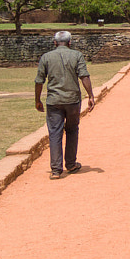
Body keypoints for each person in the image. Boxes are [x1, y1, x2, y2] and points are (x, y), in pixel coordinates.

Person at [34, 30, 96, 179]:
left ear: (55, 43)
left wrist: (37, 100)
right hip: (72, 100)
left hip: (54, 101)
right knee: (72, 130)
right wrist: (91, 95)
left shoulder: (46, 57)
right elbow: (84, 76)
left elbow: (39, 81)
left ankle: (56, 170)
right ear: (70, 42)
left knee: (55, 133)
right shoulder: (76, 55)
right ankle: (71, 164)